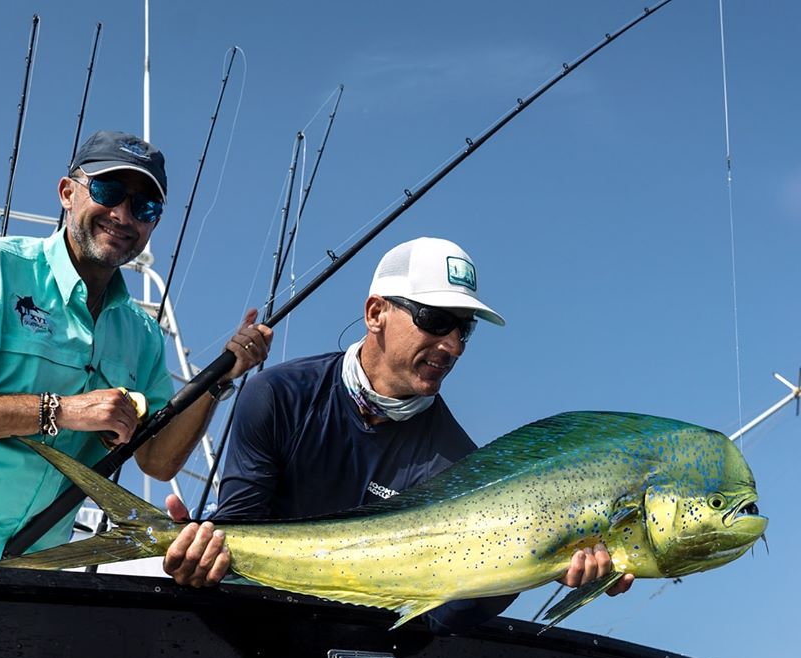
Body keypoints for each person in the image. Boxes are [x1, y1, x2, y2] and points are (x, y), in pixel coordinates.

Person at [0, 130, 271, 564]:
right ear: (68, 192)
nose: (123, 215)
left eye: (144, 207)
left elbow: (157, 461)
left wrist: (220, 376)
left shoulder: (143, 335)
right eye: (108, 191)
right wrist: (60, 410)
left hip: (1, 568)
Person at [162, 237, 631, 628]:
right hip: (259, 629)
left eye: (463, 330)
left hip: (363, 650)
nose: (451, 346)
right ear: (375, 313)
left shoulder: (460, 465)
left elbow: (449, 614)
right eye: (434, 319)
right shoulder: (277, 395)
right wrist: (198, 554)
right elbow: (240, 533)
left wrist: (544, 565)